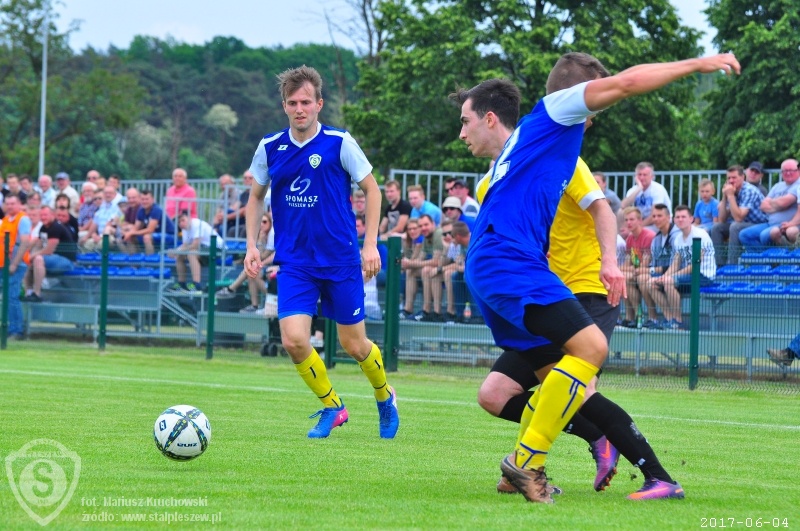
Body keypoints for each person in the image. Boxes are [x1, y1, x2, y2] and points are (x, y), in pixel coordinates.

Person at [463, 51, 738, 503]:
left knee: (553, 381)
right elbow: (627, 83)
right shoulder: (555, 111)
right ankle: (528, 462)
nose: (596, 113)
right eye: (595, 101)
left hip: (495, 267)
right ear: (579, 92)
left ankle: (539, 463)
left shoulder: (524, 151)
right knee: (590, 350)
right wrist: (696, 64)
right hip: (514, 265)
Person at [244, 65, 399, 439]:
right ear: (284, 106)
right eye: (292, 103)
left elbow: (373, 190)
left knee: (353, 344)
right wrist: (251, 245)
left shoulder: (339, 142)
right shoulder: (270, 147)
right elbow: (255, 197)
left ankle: (384, 396)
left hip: (340, 260)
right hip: (296, 262)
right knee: (294, 340)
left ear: (319, 104)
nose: (299, 109)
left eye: (306, 102)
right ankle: (333, 406)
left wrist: (370, 244)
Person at [645, 206, 715, 329]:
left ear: (691, 219)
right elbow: (675, 264)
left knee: (668, 281)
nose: (680, 219)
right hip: (686, 276)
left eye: (683, 217)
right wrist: (663, 276)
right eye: (677, 217)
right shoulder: (678, 239)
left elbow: (695, 265)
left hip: (703, 276)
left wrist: (670, 277)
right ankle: (669, 319)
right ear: (674, 220)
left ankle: (678, 322)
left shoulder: (700, 235)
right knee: (651, 283)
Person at [216, 213, 276, 312]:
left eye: (265, 222)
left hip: (278, 265)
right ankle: (254, 305)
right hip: (270, 264)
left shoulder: (272, 233)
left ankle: (232, 289)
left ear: (270, 223)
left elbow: (263, 256)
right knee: (251, 271)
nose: (262, 224)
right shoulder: (262, 234)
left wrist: (260, 242)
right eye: (260, 222)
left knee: (253, 268)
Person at [709, 165, 767, 267]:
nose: (731, 181)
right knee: (716, 228)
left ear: (743, 177)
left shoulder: (749, 190)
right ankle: (719, 265)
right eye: (729, 178)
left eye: (734, 177)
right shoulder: (731, 190)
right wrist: (724, 196)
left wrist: (730, 196)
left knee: (735, 226)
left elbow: (738, 218)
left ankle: (732, 266)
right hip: (745, 223)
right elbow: (721, 219)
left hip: (760, 224)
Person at [739, 159, 799, 249]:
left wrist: (774, 203)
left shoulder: (798, 185)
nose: (788, 173)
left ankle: (770, 256)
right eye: (785, 171)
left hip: (785, 224)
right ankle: (762, 256)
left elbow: (784, 203)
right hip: (770, 223)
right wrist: (780, 205)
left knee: (764, 235)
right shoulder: (777, 186)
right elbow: (763, 205)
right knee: (744, 235)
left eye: (791, 170)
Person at [24, 205, 76, 302]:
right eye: (41, 215)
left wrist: (32, 256)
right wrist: (27, 255)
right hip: (51, 259)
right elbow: (38, 245)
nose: (43, 217)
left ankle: (37, 293)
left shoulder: (56, 227)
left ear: (52, 215)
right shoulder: (43, 228)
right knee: (28, 260)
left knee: (38, 258)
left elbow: (49, 250)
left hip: (66, 261)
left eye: (45, 215)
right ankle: (28, 292)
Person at [400, 214, 443, 321]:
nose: (423, 228)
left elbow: (436, 261)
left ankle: (427, 310)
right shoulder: (426, 237)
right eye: (421, 226)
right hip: (435, 268)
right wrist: (409, 264)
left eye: (426, 225)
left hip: (447, 267)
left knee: (425, 270)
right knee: (411, 271)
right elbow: (420, 258)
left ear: (433, 224)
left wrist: (410, 263)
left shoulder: (438, 233)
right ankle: (407, 309)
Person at [0, 194, 32, 339]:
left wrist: (14, 263)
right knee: (7, 297)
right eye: (7, 204)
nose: (10, 206)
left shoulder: (23, 219)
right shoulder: (6, 219)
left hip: (16, 264)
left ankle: (17, 330)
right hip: (3, 263)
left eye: (13, 204)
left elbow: (24, 242)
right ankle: (9, 327)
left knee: (12, 297)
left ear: (19, 204)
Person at [166, 211, 223, 293]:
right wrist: (176, 252)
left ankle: (197, 285)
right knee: (180, 256)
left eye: (183, 220)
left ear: (189, 218)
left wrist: (176, 251)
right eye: (179, 222)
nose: (181, 223)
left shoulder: (197, 224)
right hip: (202, 248)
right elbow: (185, 245)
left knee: (191, 253)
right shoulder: (185, 229)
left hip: (216, 248)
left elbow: (195, 245)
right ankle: (181, 284)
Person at [620, 207, 655, 328]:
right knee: (623, 277)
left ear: (640, 220)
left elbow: (645, 264)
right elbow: (627, 263)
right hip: (636, 271)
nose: (628, 223)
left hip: (650, 271)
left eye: (632, 219)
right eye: (626, 220)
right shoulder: (630, 238)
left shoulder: (648, 236)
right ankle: (634, 316)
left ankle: (650, 316)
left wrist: (628, 269)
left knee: (636, 278)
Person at [618, 162, 672, 232]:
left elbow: (655, 214)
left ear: (652, 176)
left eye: (645, 175)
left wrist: (638, 227)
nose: (642, 177)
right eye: (639, 175)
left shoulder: (658, 189)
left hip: (656, 224)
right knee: (620, 212)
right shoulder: (633, 190)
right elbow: (623, 206)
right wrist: (639, 188)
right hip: (640, 223)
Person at [123, 190, 175, 255]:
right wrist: (127, 233)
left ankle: (150, 259)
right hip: (154, 235)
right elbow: (136, 228)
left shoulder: (156, 210)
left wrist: (131, 233)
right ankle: (133, 259)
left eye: (147, 199)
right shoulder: (141, 210)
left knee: (147, 237)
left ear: (153, 200)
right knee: (130, 237)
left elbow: (150, 230)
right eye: (142, 199)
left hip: (169, 235)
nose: (144, 201)